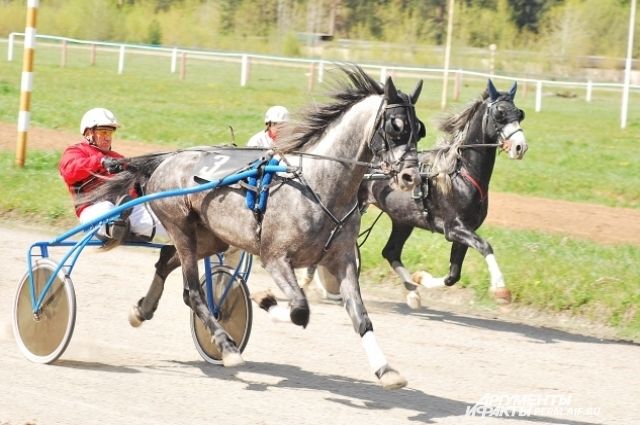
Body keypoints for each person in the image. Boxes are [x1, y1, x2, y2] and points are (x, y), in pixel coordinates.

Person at [58, 107, 166, 248]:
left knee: (164, 219)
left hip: (125, 208)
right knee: (108, 207)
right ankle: (118, 224)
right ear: (89, 133)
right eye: (103, 132)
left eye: (110, 132)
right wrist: (100, 162)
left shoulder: (117, 158)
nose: (108, 137)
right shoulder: (76, 151)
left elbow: (135, 189)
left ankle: (127, 225)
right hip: (92, 210)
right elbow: (69, 171)